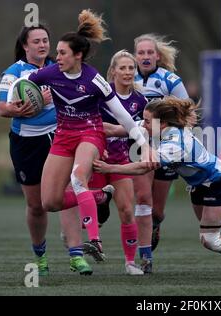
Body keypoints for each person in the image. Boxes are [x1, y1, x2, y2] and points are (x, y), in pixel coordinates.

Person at [21, 10, 147, 263]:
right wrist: (20, 98)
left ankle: (95, 241)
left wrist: (144, 144)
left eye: (62, 53)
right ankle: (101, 195)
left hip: (90, 134)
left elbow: (122, 115)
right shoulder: (50, 73)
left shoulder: (94, 80)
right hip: (63, 137)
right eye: (57, 52)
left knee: (78, 179)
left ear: (78, 55)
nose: (57, 57)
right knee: (50, 202)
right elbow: (26, 82)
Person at [93, 97, 221, 278]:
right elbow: (114, 129)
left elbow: (143, 166)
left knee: (210, 239)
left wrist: (110, 168)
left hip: (218, 181)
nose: (142, 125)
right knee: (211, 221)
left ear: (163, 124)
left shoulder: (175, 144)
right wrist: (83, 127)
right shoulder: (154, 126)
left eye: (146, 121)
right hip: (199, 184)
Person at [0, 24, 93, 275]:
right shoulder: (13, 72)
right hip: (26, 142)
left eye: (45, 40)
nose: (42, 45)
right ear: (25, 46)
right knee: (37, 205)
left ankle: (76, 254)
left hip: (58, 135)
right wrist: (25, 107)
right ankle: (40, 256)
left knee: (70, 188)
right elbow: (2, 107)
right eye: (36, 41)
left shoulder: (59, 65)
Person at [133, 34, 189, 271]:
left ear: (157, 55)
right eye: (141, 53)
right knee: (143, 200)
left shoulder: (170, 80)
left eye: (149, 53)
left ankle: (155, 223)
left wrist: (175, 137)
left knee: (156, 209)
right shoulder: (127, 77)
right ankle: (145, 256)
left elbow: (187, 112)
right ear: (135, 56)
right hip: (136, 146)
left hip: (165, 148)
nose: (145, 57)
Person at [96, 49, 147, 275]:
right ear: (113, 71)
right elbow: (95, 126)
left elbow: (143, 131)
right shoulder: (100, 95)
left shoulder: (140, 101)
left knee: (127, 210)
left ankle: (129, 263)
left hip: (121, 161)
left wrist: (117, 130)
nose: (127, 72)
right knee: (93, 206)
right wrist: (127, 129)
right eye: (123, 68)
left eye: (131, 68)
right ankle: (83, 248)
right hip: (95, 158)